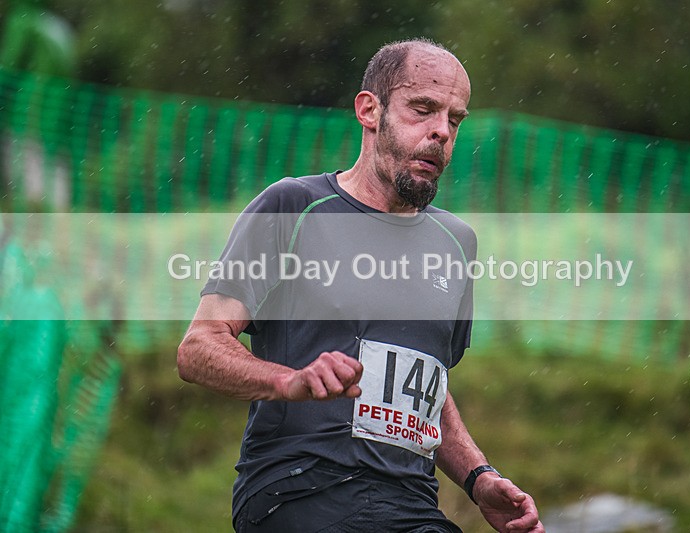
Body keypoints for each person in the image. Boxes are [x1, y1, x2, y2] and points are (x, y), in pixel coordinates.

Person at [177, 38, 545, 533]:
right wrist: (287, 381)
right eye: (423, 109)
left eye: (455, 120)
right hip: (300, 486)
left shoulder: (458, 242)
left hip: (410, 503)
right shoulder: (294, 206)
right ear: (370, 110)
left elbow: (427, 384)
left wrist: (478, 478)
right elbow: (199, 348)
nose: (441, 132)